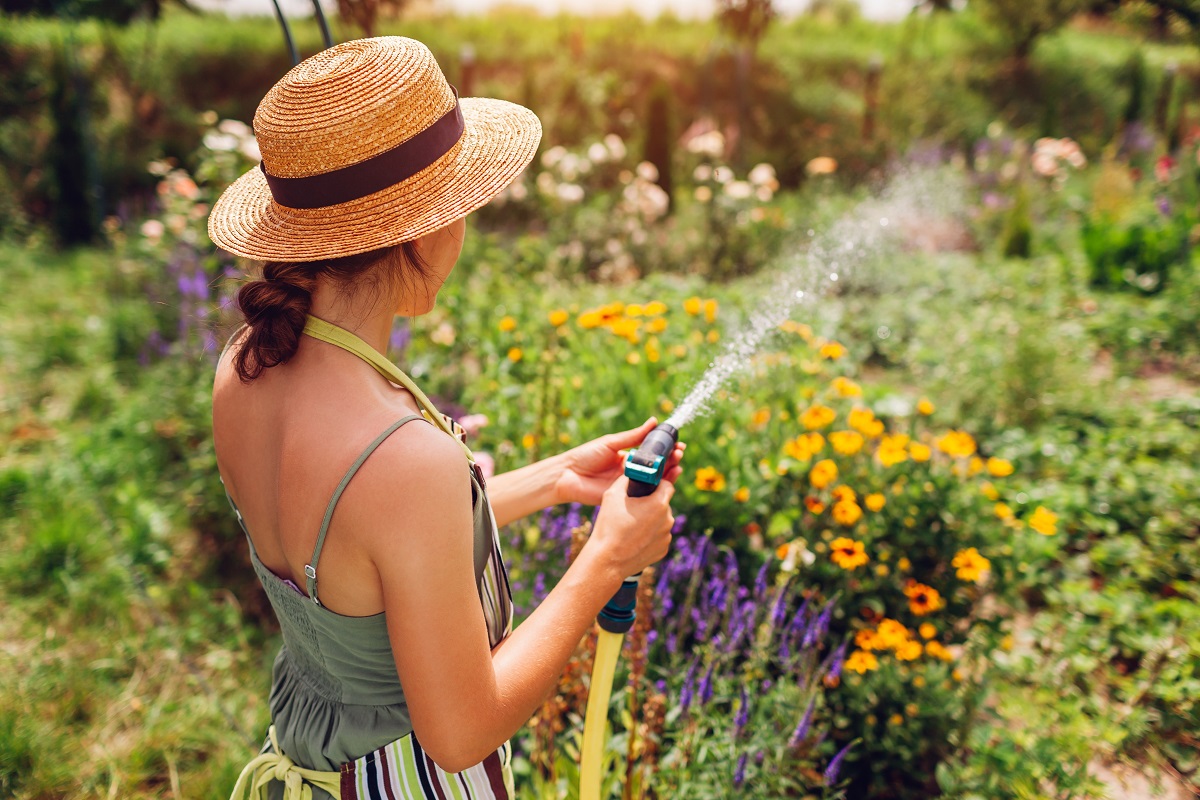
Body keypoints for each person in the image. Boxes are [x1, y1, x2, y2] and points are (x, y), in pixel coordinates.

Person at [207, 36, 684, 800]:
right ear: (426, 227)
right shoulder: (400, 457)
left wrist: (556, 479)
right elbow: (461, 733)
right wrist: (604, 561)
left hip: (307, 763)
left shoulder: (244, 368)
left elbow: (366, 560)